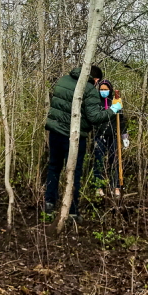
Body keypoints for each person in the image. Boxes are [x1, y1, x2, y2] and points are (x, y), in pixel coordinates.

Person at [44, 65, 122, 221]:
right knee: (74, 172)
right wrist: (113, 110)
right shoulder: (88, 89)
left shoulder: (63, 80)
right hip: (74, 136)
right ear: (96, 79)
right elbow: (94, 117)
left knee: (54, 167)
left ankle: (49, 205)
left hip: (54, 132)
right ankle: (72, 211)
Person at [93, 79, 129, 198]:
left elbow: (121, 120)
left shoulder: (115, 101)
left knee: (115, 161)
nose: (103, 91)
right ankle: (99, 187)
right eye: (101, 89)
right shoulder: (96, 102)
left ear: (110, 89)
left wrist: (124, 137)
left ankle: (116, 187)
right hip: (100, 136)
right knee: (98, 161)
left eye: (106, 89)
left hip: (114, 136)